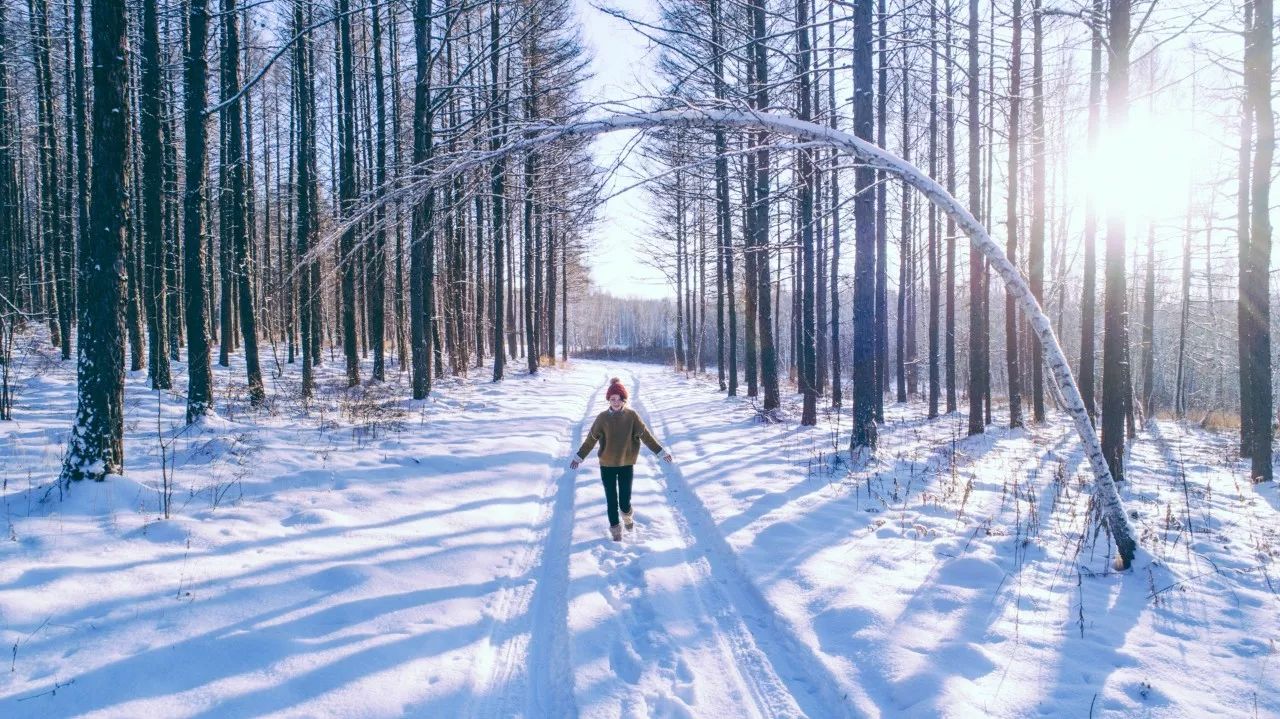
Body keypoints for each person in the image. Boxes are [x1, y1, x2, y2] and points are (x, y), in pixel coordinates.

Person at [570, 377, 673, 541]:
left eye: (618, 399)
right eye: (612, 399)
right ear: (608, 400)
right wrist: (579, 456)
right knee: (611, 501)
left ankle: (627, 516)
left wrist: (661, 452)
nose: (615, 402)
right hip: (607, 466)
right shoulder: (602, 418)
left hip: (626, 465)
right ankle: (616, 532)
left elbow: (646, 436)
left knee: (624, 501)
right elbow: (591, 439)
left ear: (623, 400)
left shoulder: (632, 416)